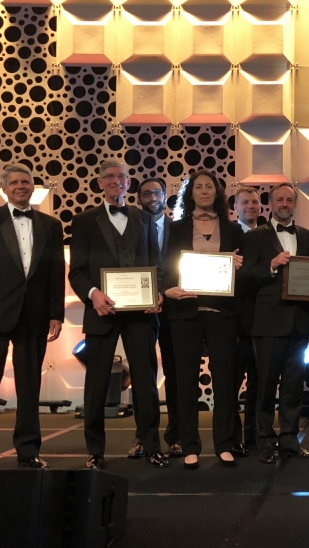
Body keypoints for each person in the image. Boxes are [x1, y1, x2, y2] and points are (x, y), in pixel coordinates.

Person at [0, 163, 64, 470]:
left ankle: (28, 450)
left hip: (35, 316)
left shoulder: (51, 225)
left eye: (26, 181)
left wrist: (56, 313)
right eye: (15, 182)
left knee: (30, 388)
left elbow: (57, 273)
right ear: (4, 188)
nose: (21, 186)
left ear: (33, 187)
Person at [68, 159, 168, 469]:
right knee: (97, 384)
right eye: (110, 177)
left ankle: (151, 445)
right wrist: (93, 294)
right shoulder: (84, 221)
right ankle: (95, 451)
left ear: (128, 184)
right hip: (102, 310)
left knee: (145, 380)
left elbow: (158, 266)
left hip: (141, 313)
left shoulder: (144, 219)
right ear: (100, 183)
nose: (116, 181)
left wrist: (158, 293)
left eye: (122, 177)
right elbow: (77, 272)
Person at [161, 171, 245, 470]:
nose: (205, 191)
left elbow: (245, 272)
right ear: (190, 193)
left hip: (223, 313)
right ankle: (189, 445)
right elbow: (166, 265)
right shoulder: (176, 227)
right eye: (199, 186)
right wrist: (167, 290)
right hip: (185, 313)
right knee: (184, 381)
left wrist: (239, 265)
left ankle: (224, 444)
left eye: (210, 186)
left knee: (225, 381)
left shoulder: (234, 229)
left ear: (218, 193)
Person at [240, 182, 309, 464]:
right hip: (267, 322)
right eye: (279, 200)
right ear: (270, 204)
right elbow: (245, 277)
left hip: (299, 321)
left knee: (294, 386)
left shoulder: (308, 236)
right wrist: (271, 265)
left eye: (289, 200)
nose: (284, 204)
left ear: (295, 204)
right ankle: (263, 442)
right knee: (265, 386)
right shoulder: (254, 237)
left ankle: (289, 441)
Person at [134, 177, 182, 458]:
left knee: (176, 374)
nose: (152, 197)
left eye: (157, 192)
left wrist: (164, 291)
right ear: (138, 198)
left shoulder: (179, 230)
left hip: (175, 310)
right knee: (143, 375)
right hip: (142, 310)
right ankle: (144, 437)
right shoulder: (132, 227)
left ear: (165, 196)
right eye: (146, 193)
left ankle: (175, 436)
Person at [232, 186, 261, 452]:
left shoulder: (268, 235)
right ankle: (232, 436)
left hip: (261, 318)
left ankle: (253, 433)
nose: (251, 206)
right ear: (235, 208)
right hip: (231, 318)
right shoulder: (227, 234)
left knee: (258, 380)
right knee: (230, 380)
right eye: (245, 202)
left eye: (254, 202)